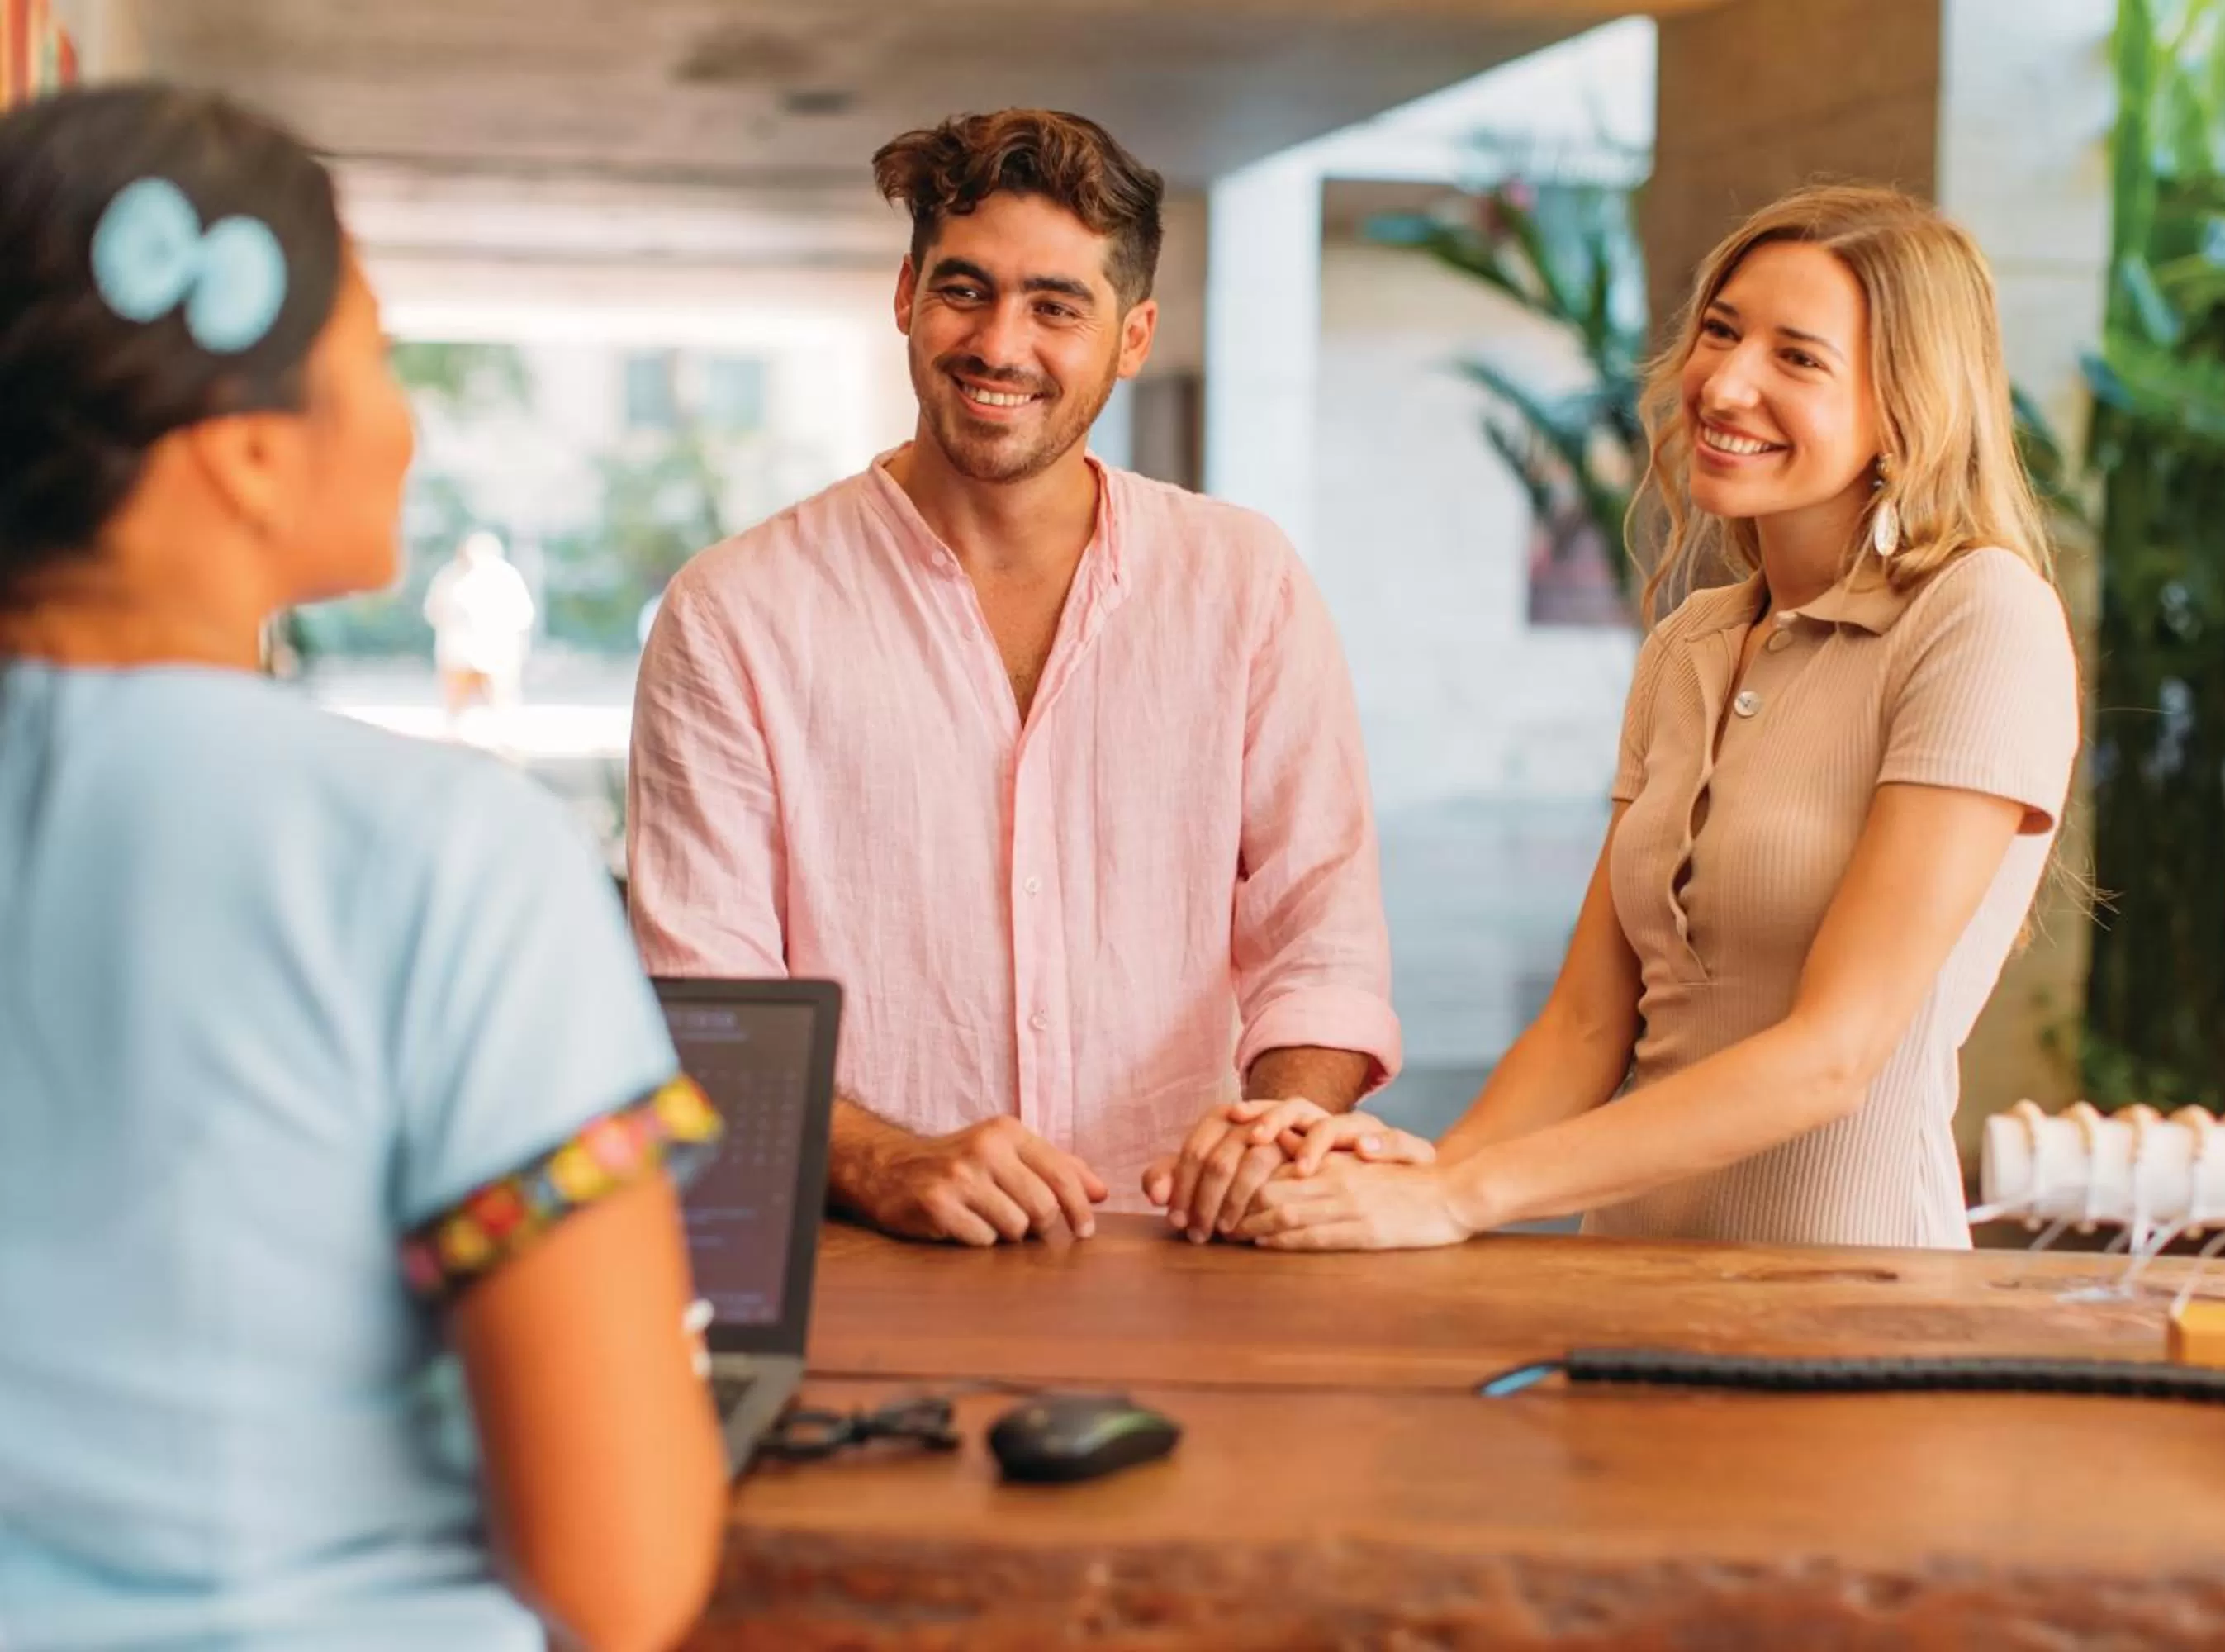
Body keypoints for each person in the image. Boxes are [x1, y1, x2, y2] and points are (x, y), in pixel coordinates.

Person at [0, 85, 726, 1648]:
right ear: (251, 452)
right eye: (377, 353)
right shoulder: (441, 859)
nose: (403, 418)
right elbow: (620, 1570)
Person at [1225, 184, 2081, 1252]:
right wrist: (1426, 1177)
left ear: (1908, 402)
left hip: (1855, 1318)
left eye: (1797, 358)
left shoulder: (1981, 617)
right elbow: (1588, 1024)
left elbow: (1835, 1054)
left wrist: (1460, 1201)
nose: (1725, 383)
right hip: (1624, 1291)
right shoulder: (1691, 647)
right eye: (1720, 332)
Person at [628, 109, 1398, 1248]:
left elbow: (1320, 940)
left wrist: (1275, 1122)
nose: (1000, 343)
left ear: (1132, 337)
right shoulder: (735, 612)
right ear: (904, 295)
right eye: (964, 289)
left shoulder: (1244, 585)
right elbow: (708, 1014)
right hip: (864, 1265)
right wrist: (885, 1163)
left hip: (1186, 1262)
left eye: (1055, 305)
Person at [422, 526, 536, 743]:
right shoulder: (450, 576)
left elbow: (522, 615)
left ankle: (507, 744)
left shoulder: (505, 576)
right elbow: (433, 610)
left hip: (494, 653)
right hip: (457, 653)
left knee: (501, 702)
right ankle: (453, 742)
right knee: (455, 705)